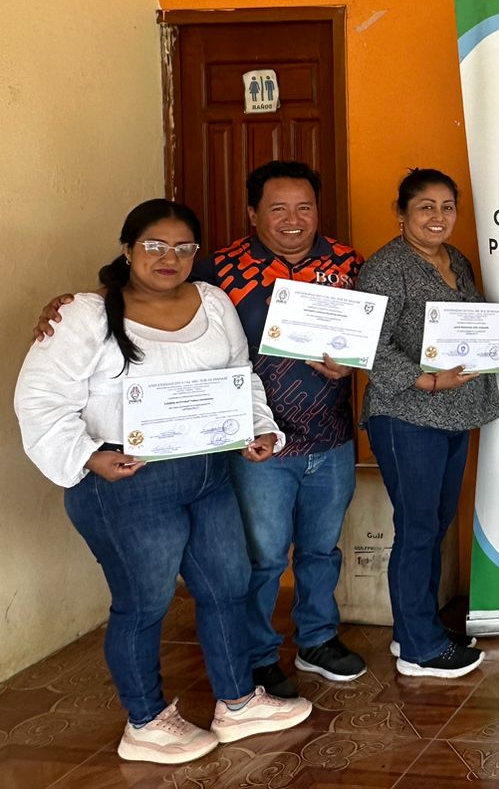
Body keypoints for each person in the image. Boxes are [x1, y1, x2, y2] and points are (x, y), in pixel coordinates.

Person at [35, 159, 368, 698]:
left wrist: (352, 366)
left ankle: (317, 639)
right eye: (278, 208)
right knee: (261, 558)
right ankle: (258, 658)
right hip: (251, 447)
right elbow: (146, 292)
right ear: (253, 213)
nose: (293, 219)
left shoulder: (348, 262)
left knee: (320, 550)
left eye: (304, 207)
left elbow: (372, 335)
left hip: (328, 436)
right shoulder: (217, 272)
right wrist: (70, 307)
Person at [15, 200, 312, 765]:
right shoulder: (85, 315)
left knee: (227, 585)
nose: (168, 257)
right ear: (128, 249)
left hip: (208, 473)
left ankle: (237, 702)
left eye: (182, 247)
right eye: (154, 245)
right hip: (126, 483)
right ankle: (146, 723)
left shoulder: (212, 302)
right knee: (144, 602)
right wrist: (89, 457)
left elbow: (240, 377)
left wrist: (257, 427)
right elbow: (40, 398)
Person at [358, 168, 499, 677]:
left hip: (455, 412)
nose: (437, 217)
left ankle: (414, 630)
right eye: (425, 206)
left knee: (435, 525)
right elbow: (369, 343)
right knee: (417, 528)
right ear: (401, 214)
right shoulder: (385, 268)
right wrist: (427, 380)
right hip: (407, 415)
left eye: (447, 206)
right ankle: (420, 649)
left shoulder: (455, 259)